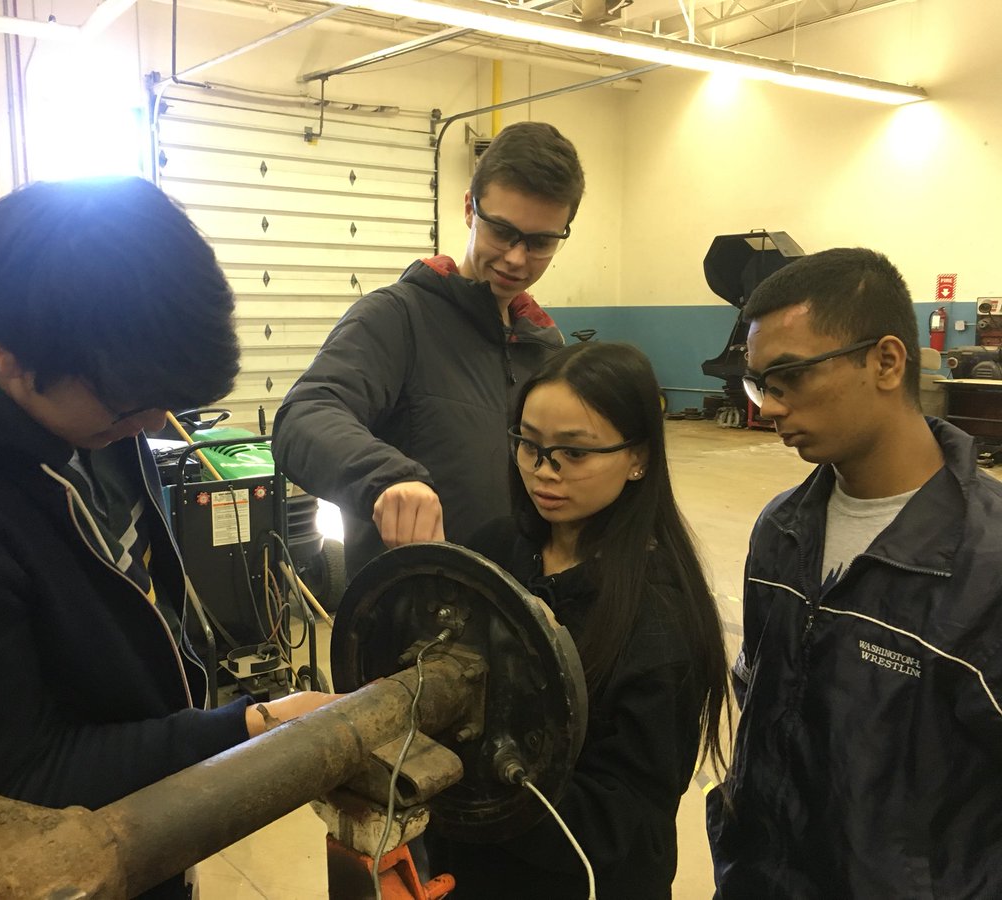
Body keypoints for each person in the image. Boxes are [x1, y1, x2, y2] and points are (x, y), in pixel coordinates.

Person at [0, 177, 331, 899]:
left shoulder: (77, 357)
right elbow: (22, 779)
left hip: (150, 789)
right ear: (10, 357)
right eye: (130, 409)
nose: (151, 427)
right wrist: (248, 728)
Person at [707, 248, 1002, 897]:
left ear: (887, 361)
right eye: (760, 384)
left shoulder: (986, 565)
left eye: (789, 378)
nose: (770, 409)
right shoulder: (780, 530)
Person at [425, 341, 730, 898]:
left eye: (575, 453)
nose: (543, 473)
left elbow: (626, 821)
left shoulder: (660, 618)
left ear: (637, 457)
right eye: (529, 445)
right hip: (465, 870)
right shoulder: (499, 549)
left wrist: (470, 775)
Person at [272, 121, 585, 577]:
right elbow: (304, 416)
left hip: (519, 609)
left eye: (540, 242)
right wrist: (386, 477)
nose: (517, 258)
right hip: (413, 615)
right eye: (501, 231)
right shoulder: (396, 319)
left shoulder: (544, 348)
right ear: (468, 208)